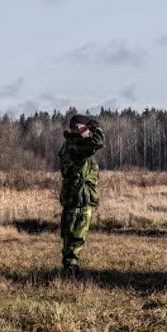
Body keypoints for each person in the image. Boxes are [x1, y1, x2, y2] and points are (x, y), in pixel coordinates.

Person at [58, 114, 105, 274]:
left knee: (70, 231)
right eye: (87, 129)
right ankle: (71, 266)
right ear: (79, 128)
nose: (89, 133)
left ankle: (69, 264)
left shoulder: (69, 144)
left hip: (73, 193)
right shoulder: (77, 144)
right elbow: (98, 142)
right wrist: (96, 128)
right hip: (79, 195)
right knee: (77, 232)